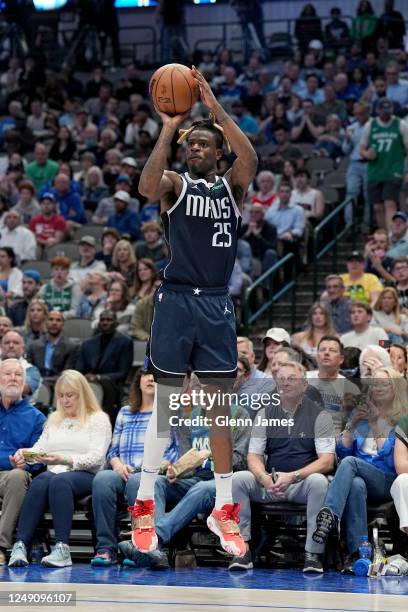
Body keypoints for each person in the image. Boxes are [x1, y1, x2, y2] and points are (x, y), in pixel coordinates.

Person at [129, 64, 258, 558]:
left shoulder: (233, 187)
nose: (195, 150)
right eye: (190, 146)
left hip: (217, 302)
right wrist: (167, 127)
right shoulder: (175, 186)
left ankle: (224, 506)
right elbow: (145, 187)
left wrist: (213, 108)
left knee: (218, 409)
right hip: (177, 298)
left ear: (218, 151)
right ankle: (144, 500)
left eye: (202, 144)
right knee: (164, 403)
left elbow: (250, 155)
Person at [231, 361, 335, 572]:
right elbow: (253, 456)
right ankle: (242, 550)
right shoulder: (264, 413)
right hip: (271, 481)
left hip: (301, 483)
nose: (285, 383)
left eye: (292, 379)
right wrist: (263, 477)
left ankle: (312, 553)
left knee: (319, 482)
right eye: (281, 379)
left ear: (305, 385)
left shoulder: (320, 416)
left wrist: (294, 476)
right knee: (238, 479)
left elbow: (326, 461)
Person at [8, 370, 111, 568]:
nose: (65, 400)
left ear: (82, 394)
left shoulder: (98, 419)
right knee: (40, 481)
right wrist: (24, 455)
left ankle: (62, 548)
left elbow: (97, 458)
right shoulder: (55, 418)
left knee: (58, 480)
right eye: (61, 396)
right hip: (56, 472)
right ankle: (21, 545)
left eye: (70, 395)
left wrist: (65, 459)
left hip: (87, 474)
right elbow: (40, 448)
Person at [312, 367, 405, 573]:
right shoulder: (359, 413)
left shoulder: (401, 417)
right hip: (360, 477)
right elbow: (343, 451)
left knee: (352, 465)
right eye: (374, 383)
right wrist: (353, 424)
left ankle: (329, 515)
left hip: (387, 480)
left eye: (384, 383)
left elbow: (391, 459)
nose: (378, 388)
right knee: (355, 483)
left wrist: (374, 423)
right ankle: (356, 555)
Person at [90, 369, 178, 566]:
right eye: (145, 375)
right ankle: (106, 548)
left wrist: (160, 465)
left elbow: (175, 451)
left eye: (155, 376)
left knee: (138, 482)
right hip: (124, 471)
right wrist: (117, 464)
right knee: (102, 480)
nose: (150, 379)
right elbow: (113, 450)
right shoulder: (125, 412)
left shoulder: (169, 412)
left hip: (152, 474)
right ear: (138, 383)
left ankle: (138, 547)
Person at [0, 358, 46, 565]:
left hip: (13, 477)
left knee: (19, 476)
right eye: (8, 373)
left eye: (18, 375)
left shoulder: (37, 418)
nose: (13, 378)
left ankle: (0, 546)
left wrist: (26, 463)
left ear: (24, 382)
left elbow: (39, 458)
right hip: (8, 468)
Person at [76, 309, 133, 426]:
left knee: (103, 384)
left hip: (112, 386)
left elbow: (122, 374)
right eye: (102, 320)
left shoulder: (125, 342)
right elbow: (79, 370)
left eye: (109, 320)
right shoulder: (88, 343)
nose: (105, 322)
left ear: (116, 323)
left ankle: (104, 424)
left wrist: (97, 377)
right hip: (88, 383)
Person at [360, 97, 408, 231]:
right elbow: (362, 148)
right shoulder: (370, 125)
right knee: (377, 207)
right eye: (384, 110)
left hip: (394, 170)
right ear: (377, 110)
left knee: (390, 203)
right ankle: (384, 236)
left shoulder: (400, 124)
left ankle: (392, 237)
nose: (387, 113)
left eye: (389, 110)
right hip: (375, 171)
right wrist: (366, 154)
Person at [306, 336, 361, 437]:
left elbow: (353, 425)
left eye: (332, 350)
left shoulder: (350, 388)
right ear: (317, 356)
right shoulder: (302, 379)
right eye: (322, 350)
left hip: (332, 443)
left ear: (341, 359)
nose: (326, 353)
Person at [26, 310, 78, 394]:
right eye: (51, 319)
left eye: (58, 320)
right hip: (35, 385)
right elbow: (30, 369)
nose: (54, 323)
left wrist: (44, 381)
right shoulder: (33, 346)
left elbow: (67, 374)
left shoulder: (71, 347)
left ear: (63, 325)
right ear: (45, 323)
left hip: (60, 386)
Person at [342, 102, 371, 230]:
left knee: (368, 195)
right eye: (356, 114)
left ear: (367, 113)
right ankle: (349, 225)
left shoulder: (374, 125)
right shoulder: (351, 127)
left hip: (370, 164)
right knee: (350, 194)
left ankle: (366, 224)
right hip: (354, 164)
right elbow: (345, 150)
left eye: (360, 114)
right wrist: (347, 140)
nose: (357, 117)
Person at [1, 331, 41, 399]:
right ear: (1, 347)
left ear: (23, 349)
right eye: (7, 343)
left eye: (16, 343)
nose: (11, 345)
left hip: (22, 408)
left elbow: (21, 389)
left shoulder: (31, 370)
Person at [240, 204, 278, 274]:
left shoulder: (270, 228)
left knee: (271, 253)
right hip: (246, 257)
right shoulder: (245, 227)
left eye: (257, 212)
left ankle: (266, 283)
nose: (253, 214)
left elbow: (272, 247)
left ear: (263, 214)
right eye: (251, 212)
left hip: (262, 257)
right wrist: (247, 234)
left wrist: (257, 235)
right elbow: (238, 246)